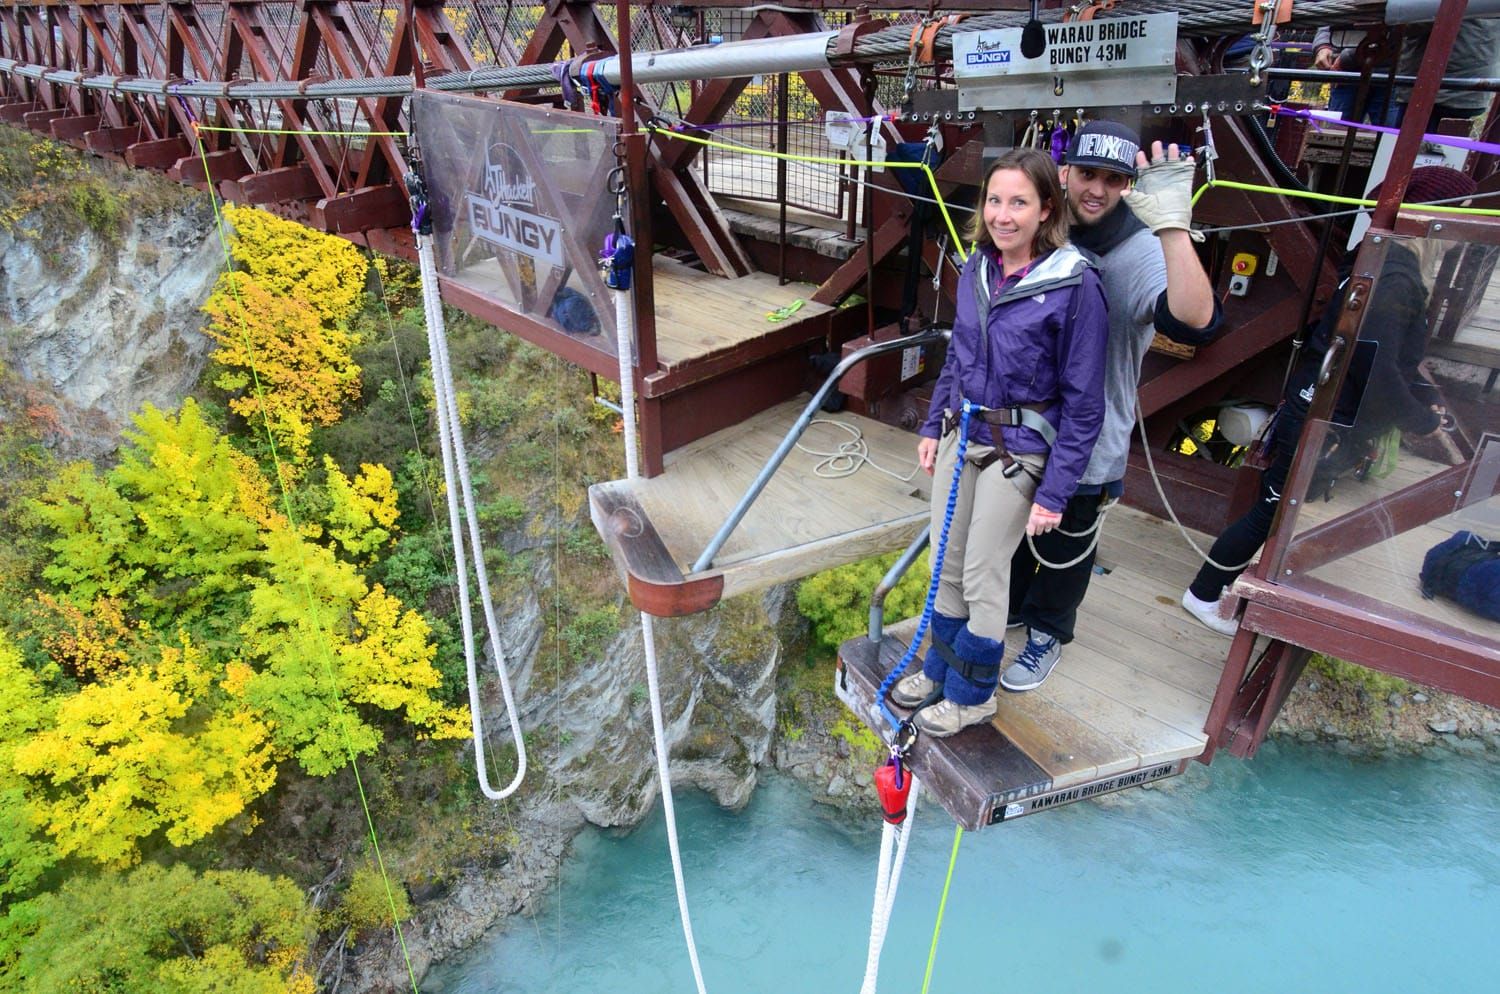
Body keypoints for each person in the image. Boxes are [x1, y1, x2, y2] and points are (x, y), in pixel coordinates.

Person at [1181, 165, 1476, 635]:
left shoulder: (1375, 262)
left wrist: (1421, 397)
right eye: (1460, 215)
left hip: (1320, 406)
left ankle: (1230, 588)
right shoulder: (1393, 278)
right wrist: (1420, 420)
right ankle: (1203, 594)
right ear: (1431, 219)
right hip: (1322, 413)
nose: (1461, 233)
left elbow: (1382, 356)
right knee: (1270, 510)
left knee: (1276, 510)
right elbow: (1376, 370)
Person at [889, 147, 1109, 737]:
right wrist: (932, 426)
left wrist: (1055, 494)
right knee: (946, 562)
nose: (1002, 215)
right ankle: (940, 670)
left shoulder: (1075, 286)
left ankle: (972, 696)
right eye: (994, 200)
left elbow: (1084, 403)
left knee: (984, 571)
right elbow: (959, 357)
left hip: (1020, 449)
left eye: (1019, 203)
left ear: (1046, 210)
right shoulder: (977, 270)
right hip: (962, 432)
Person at [1003, 122, 1222, 691]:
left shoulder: (1142, 249)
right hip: (1025, 428)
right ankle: (1012, 608)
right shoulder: (1044, 232)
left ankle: (1047, 633)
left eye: (1113, 179)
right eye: (1087, 174)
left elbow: (1197, 322)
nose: (1097, 189)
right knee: (1013, 531)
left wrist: (1173, 228)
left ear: (1129, 185)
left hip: (1090, 437)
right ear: (1066, 173)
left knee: (1068, 547)